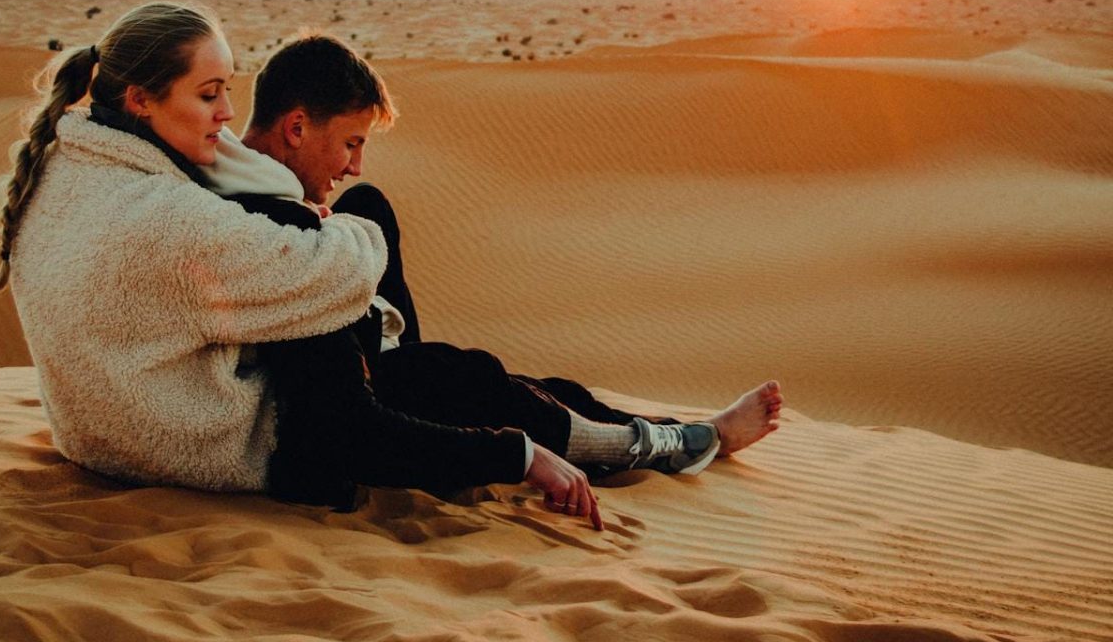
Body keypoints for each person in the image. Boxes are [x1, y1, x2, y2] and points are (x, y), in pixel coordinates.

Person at [0, 2, 780, 531]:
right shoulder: (201, 221)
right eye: (210, 94)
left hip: (118, 424)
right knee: (466, 377)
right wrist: (343, 231)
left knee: (462, 370)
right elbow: (335, 348)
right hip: (223, 440)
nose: (227, 115)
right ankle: (676, 441)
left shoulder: (68, 170)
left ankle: (648, 429)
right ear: (141, 102)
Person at [199, 32, 784, 520]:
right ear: (297, 128)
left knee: (376, 214)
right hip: (323, 412)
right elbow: (336, 424)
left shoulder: (239, 170)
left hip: (365, 357)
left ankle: (660, 428)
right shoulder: (275, 229)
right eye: (350, 143)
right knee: (469, 377)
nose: (354, 164)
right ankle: (670, 444)